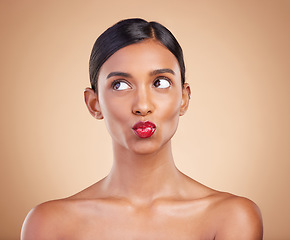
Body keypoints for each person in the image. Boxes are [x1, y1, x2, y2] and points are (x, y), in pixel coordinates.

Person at [21, 18, 263, 239]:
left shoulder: (232, 217)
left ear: (183, 98)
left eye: (160, 82)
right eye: (120, 85)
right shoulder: (48, 224)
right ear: (94, 104)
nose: (143, 106)